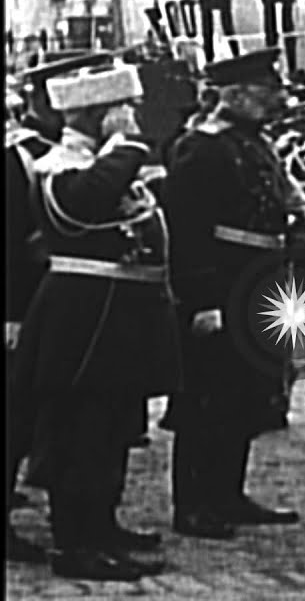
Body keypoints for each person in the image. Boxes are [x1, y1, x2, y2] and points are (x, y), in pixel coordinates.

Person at [13, 62, 181, 580]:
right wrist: (127, 147)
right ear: (94, 114)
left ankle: (102, 524)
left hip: (117, 311)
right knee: (80, 429)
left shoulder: (102, 164)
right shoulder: (58, 164)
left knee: (113, 427)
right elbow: (79, 210)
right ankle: (75, 542)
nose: (130, 117)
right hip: (81, 312)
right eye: (120, 109)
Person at [163, 49, 305, 540]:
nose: (274, 102)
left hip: (259, 277)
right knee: (205, 399)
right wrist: (204, 299)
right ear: (236, 95)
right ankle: (193, 504)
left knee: (246, 393)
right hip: (222, 282)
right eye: (266, 93)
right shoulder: (200, 148)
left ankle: (228, 493)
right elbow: (186, 232)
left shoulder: (252, 143)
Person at [5, 51, 112, 564]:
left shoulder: (54, 154)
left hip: (53, 302)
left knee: (42, 415)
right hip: (23, 305)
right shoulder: (21, 156)